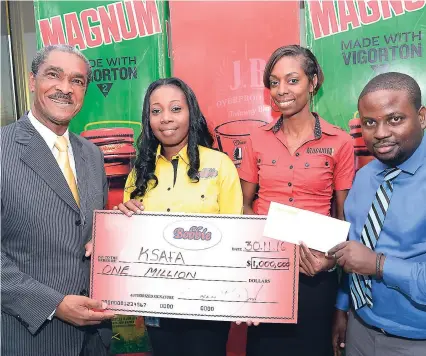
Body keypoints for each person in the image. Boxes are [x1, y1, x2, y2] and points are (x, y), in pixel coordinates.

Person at [238, 45, 355, 356]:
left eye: (292, 80)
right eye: (274, 82)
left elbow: (345, 216)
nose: (281, 91)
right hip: (266, 273)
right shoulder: (257, 140)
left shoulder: (340, 142)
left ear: (313, 81)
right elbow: (245, 205)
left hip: (314, 274)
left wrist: (331, 260)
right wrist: (265, 254)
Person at [115, 77, 243, 356]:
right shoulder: (139, 173)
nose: (165, 119)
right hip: (156, 300)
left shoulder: (219, 165)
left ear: (191, 113)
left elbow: (236, 239)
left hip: (209, 303)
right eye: (156, 111)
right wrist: (120, 222)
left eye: (175, 109)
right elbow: (130, 242)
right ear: (147, 119)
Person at [1, 45, 114, 356]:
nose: (65, 89)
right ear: (32, 80)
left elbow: (90, 234)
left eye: (77, 81)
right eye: (54, 75)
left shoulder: (92, 155)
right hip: (31, 340)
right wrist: (54, 305)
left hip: (95, 340)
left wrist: (118, 231)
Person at [329, 72, 426, 356]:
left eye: (394, 119)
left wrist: (379, 264)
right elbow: (355, 253)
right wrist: (341, 307)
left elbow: (367, 259)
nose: (381, 133)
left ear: (421, 117)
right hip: (360, 329)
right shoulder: (365, 177)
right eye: (370, 123)